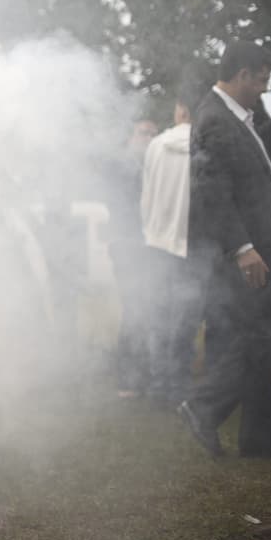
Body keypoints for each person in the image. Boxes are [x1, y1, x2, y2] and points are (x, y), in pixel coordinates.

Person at [178, 40, 271, 459]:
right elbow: (211, 192)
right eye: (260, 79)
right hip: (246, 253)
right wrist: (243, 247)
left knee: (262, 340)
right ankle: (203, 406)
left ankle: (262, 440)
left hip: (258, 247)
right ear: (241, 75)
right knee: (259, 338)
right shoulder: (215, 119)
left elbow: (252, 155)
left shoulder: (234, 117)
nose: (262, 87)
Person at [139, 94, 200, 406]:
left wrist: (150, 231)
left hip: (157, 242)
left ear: (180, 109)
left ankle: (159, 386)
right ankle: (178, 388)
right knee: (185, 321)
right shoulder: (205, 145)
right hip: (191, 245)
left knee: (160, 318)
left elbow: (146, 197)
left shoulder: (156, 145)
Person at [104, 116, 160, 399]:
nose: (148, 139)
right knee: (134, 308)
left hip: (151, 245)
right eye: (142, 133)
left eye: (153, 134)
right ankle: (128, 377)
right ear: (131, 138)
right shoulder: (122, 166)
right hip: (127, 244)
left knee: (148, 309)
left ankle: (147, 373)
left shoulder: (156, 167)